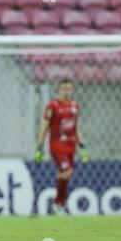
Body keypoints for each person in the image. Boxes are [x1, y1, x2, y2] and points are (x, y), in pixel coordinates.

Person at [35, 79, 89, 215]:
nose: (66, 92)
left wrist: (81, 144)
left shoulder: (74, 106)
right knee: (67, 172)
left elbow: (75, 126)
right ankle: (58, 204)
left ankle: (58, 205)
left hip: (71, 146)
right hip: (57, 145)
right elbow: (44, 126)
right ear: (59, 90)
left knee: (64, 174)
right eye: (64, 89)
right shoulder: (52, 106)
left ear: (72, 90)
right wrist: (40, 145)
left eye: (69, 89)